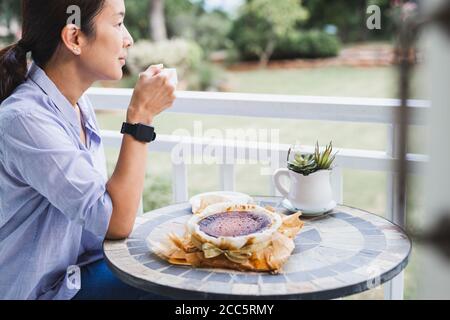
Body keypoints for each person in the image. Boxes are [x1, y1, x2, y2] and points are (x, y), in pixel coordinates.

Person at [0, 0, 176, 300]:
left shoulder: (78, 104)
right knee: (181, 288)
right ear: (75, 38)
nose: (128, 38)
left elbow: (106, 216)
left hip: (81, 270)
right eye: (118, 23)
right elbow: (116, 222)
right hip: (46, 292)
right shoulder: (25, 120)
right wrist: (140, 119)